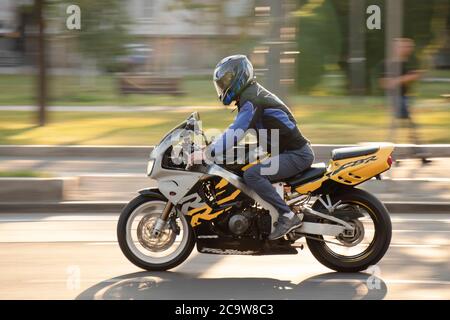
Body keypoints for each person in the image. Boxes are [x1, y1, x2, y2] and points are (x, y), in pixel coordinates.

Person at [194, 54, 314, 240]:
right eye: (221, 84)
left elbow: (236, 131)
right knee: (242, 166)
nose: (223, 87)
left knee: (253, 174)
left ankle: (287, 216)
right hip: (286, 152)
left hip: (296, 155)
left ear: (238, 77)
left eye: (226, 82)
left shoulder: (252, 100)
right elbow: (239, 134)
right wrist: (215, 149)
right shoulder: (252, 96)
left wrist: (207, 153)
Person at [379, 38, 431, 164]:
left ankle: (418, 154)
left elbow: (415, 76)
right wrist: (403, 79)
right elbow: (385, 83)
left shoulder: (406, 63)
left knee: (407, 128)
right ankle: (390, 156)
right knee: (399, 129)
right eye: (404, 46)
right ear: (396, 48)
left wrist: (402, 79)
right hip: (396, 99)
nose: (408, 49)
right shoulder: (388, 64)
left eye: (408, 47)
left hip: (403, 98)